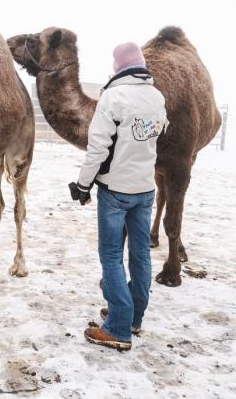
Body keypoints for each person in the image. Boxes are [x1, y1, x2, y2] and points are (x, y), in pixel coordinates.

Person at [69, 42, 168, 350]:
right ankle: (134, 315)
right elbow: (160, 131)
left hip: (115, 192)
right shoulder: (156, 95)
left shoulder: (113, 97)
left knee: (112, 255)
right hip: (145, 190)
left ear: (117, 67)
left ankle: (117, 326)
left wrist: (82, 185)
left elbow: (98, 147)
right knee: (140, 255)